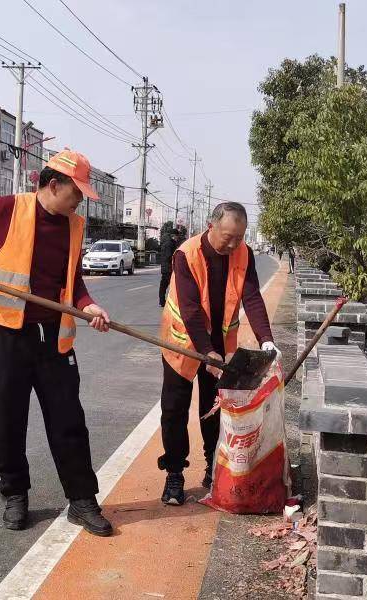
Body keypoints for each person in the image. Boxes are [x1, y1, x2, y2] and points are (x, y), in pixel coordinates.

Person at [0, 149, 114, 537]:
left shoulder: (74, 224)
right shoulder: (7, 209)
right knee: (7, 421)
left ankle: (82, 500)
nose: (79, 200)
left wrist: (90, 305)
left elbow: (74, 282)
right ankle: (15, 494)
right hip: (6, 336)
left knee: (69, 422)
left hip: (54, 341)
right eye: (77, 192)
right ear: (54, 185)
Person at [158, 202, 281, 505]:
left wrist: (266, 339)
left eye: (239, 237)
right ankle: (174, 474)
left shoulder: (244, 253)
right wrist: (206, 353)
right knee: (174, 411)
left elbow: (252, 297)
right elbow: (188, 309)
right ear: (211, 226)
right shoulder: (185, 254)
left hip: (221, 346)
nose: (233, 244)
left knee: (213, 410)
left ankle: (213, 469)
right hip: (183, 343)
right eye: (228, 236)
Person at [159, 226, 185, 307]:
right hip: (169, 268)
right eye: (177, 236)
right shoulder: (170, 244)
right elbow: (169, 256)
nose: (177, 238)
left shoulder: (166, 243)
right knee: (173, 285)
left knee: (163, 285)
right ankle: (172, 302)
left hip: (165, 267)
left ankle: (162, 301)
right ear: (174, 236)